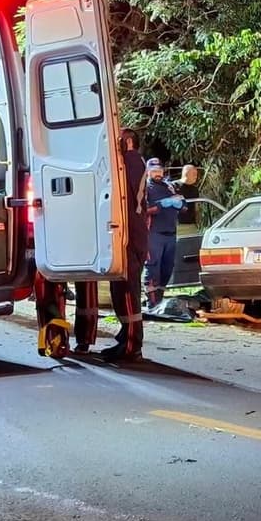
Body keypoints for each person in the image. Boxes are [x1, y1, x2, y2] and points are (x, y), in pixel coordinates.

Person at [101, 127, 150, 363]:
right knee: (118, 289)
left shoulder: (133, 161)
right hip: (124, 233)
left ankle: (133, 344)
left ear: (128, 142)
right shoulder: (128, 162)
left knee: (129, 290)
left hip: (132, 235)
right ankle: (125, 336)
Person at [143, 158, 184, 305]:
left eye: (159, 171)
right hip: (154, 233)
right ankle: (151, 302)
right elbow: (143, 210)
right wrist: (162, 205)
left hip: (171, 233)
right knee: (152, 267)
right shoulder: (145, 188)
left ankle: (160, 299)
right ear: (148, 172)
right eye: (154, 171)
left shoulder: (169, 186)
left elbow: (183, 205)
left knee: (167, 268)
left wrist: (180, 202)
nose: (157, 174)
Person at [174, 164, 201, 230]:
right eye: (194, 174)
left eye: (196, 174)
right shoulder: (173, 186)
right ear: (186, 173)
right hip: (177, 225)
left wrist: (198, 223)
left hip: (191, 224)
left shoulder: (195, 189)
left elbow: (196, 208)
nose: (196, 176)